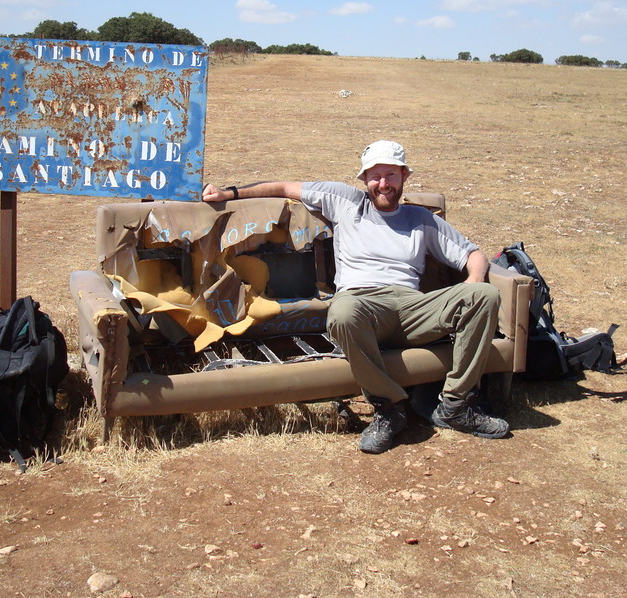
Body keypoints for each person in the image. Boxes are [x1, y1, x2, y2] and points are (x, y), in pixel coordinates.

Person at [202, 140, 509, 453]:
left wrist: (473, 278)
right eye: (375, 176)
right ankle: (389, 409)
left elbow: (474, 255)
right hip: (362, 306)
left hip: (412, 307)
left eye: (390, 175)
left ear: (404, 176)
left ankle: (456, 405)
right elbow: (283, 187)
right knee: (344, 311)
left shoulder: (421, 220)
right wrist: (229, 194)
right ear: (364, 179)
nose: (383, 184)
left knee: (483, 295)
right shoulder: (344, 200)